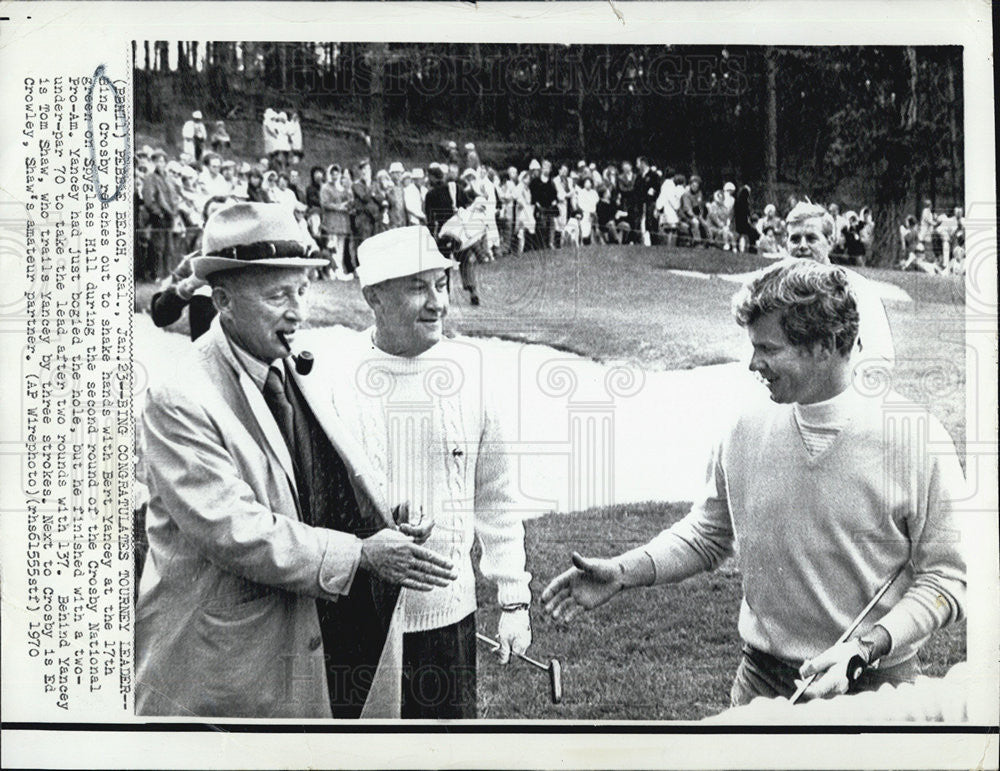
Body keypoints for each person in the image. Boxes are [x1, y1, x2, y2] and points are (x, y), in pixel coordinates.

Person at [542, 259, 966, 707]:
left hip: (875, 688)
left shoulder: (914, 438)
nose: (752, 364)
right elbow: (707, 535)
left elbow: (947, 577)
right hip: (761, 685)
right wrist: (624, 571)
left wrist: (864, 650)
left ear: (824, 345)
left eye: (768, 348)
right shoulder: (746, 424)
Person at [135, 203, 457, 718]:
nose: (298, 311)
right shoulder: (179, 397)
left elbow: (317, 479)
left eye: (302, 291)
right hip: (223, 675)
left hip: (304, 652)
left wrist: (384, 515)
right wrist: (362, 555)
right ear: (224, 301)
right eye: (277, 295)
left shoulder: (291, 366)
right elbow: (235, 530)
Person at [329, 225, 532, 717]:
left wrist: (513, 601)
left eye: (441, 284)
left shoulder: (473, 374)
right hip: (356, 624)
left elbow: (497, 497)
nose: (438, 302)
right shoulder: (335, 380)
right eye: (418, 287)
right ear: (373, 297)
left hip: (448, 622)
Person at [785, 202, 894, 369]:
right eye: (795, 239)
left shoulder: (857, 288)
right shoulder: (775, 290)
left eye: (811, 238)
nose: (802, 246)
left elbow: (880, 355)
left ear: (830, 241)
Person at [142, 149, 178, 278]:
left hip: (170, 215)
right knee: (158, 247)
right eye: (157, 161)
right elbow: (148, 199)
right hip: (158, 217)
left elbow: (174, 196)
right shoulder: (150, 178)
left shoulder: (169, 178)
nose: (160, 164)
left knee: (169, 247)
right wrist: (158, 212)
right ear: (153, 162)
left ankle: (167, 273)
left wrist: (174, 211)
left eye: (162, 161)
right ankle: (155, 274)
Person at [320, 164, 354, 280]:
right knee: (332, 247)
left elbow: (349, 200)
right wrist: (339, 207)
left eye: (337, 174)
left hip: (342, 222)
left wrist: (348, 192)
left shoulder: (341, 188)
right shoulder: (326, 188)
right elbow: (325, 203)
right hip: (332, 221)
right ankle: (333, 271)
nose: (335, 176)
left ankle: (340, 271)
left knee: (341, 248)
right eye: (332, 174)